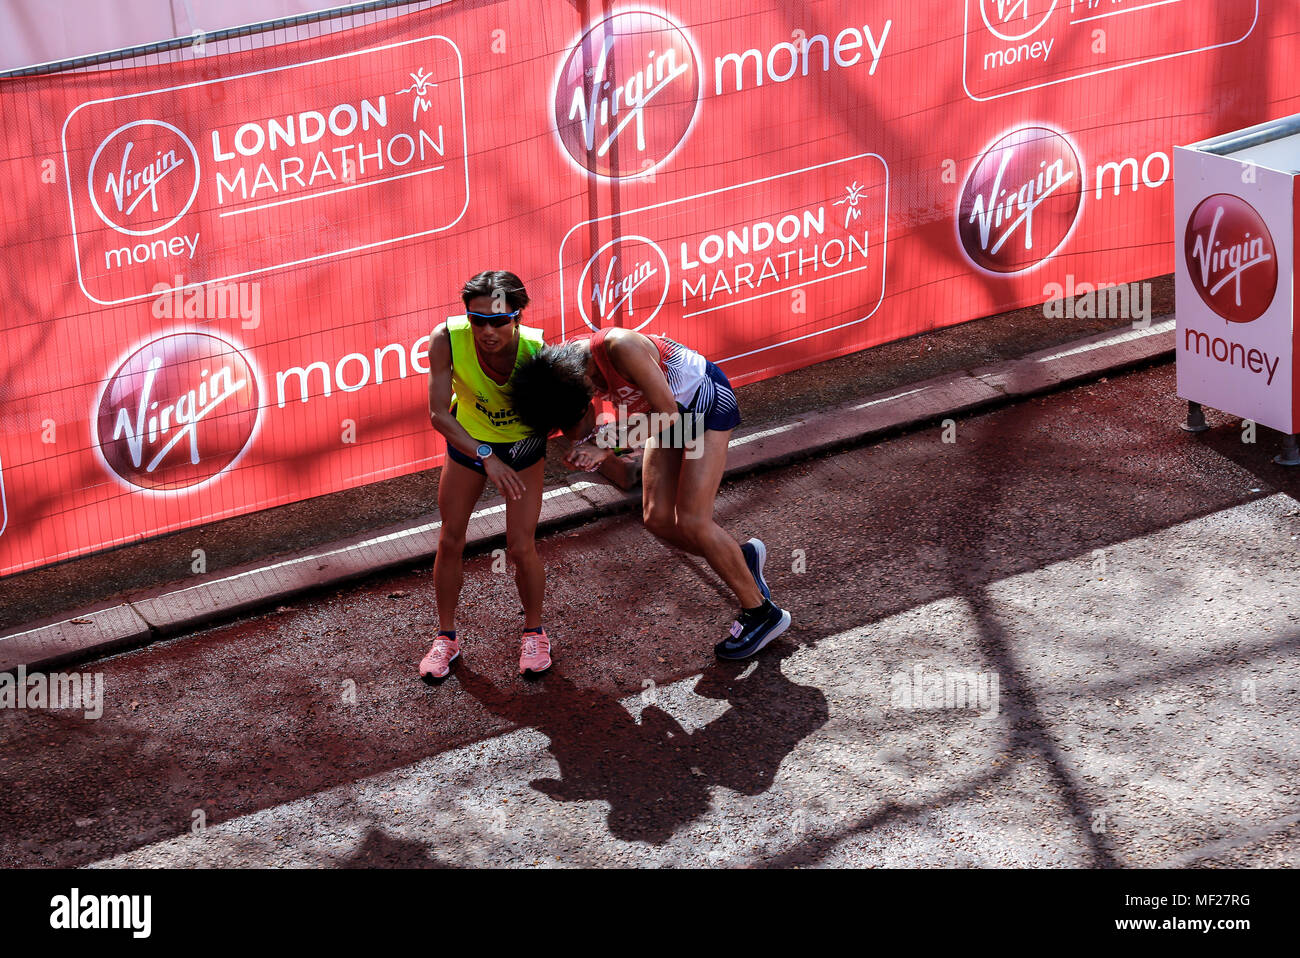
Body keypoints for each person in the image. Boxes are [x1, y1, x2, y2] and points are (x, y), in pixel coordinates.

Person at [512, 326, 790, 659]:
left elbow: (669, 412)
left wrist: (608, 445)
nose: (597, 394)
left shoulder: (620, 346)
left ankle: (763, 615)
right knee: (657, 518)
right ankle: (738, 558)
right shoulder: (562, 372)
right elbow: (588, 419)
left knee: (692, 521)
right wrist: (586, 447)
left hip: (703, 408)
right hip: (662, 417)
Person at [421, 270, 552, 680]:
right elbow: (439, 414)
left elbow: (563, 411)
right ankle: (446, 638)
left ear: (518, 316)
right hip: (471, 444)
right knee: (450, 537)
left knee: (519, 547)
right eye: (478, 320)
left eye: (499, 320)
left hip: (523, 450)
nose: (488, 330)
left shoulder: (538, 350)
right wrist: (485, 456)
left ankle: (535, 632)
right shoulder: (445, 338)